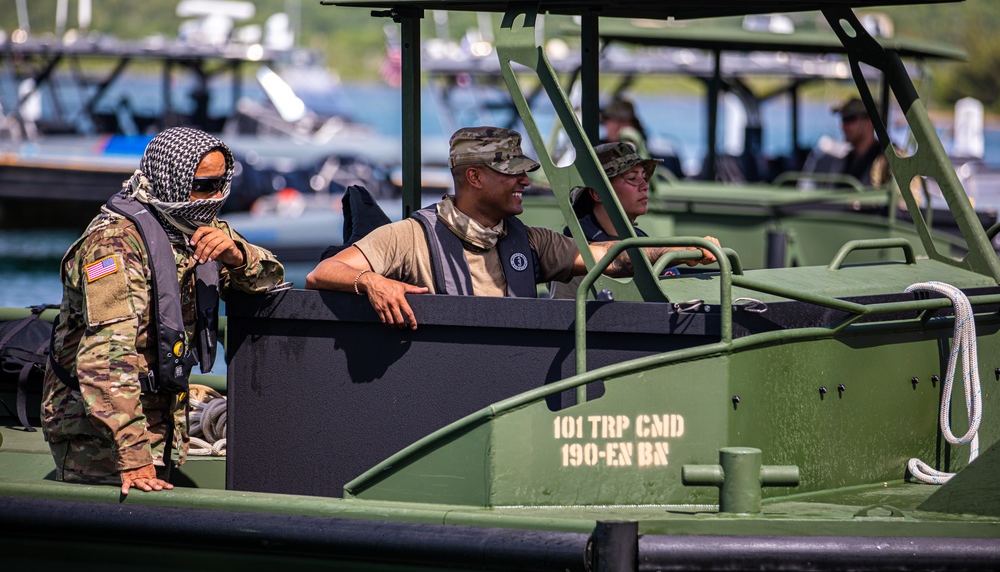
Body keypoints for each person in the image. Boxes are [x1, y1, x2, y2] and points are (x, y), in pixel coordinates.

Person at [41, 127, 285, 495]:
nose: (216, 196)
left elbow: (270, 281)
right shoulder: (114, 246)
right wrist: (134, 454)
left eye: (222, 182)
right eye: (203, 185)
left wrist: (237, 256)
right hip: (99, 432)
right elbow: (105, 361)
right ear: (172, 180)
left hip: (162, 419)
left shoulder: (196, 227)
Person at [305, 126, 719, 328]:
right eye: (512, 173)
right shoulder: (412, 236)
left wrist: (680, 249)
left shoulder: (530, 242)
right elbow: (323, 272)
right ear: (474, 178)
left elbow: (610, 258)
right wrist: (375, 284)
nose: (525, 181)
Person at [551, 141, 677, 299]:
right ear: (597, 193)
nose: (645, 186)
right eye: (632, 178)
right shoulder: (575, 256)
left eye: (644, 177)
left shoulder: (641, 240)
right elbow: (565, 318)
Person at [832, 97, 889, 187]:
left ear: (870, 121)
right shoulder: (848, 160)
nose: (843, 126)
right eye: (843, 119)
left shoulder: (888, 159)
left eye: (850, 118)